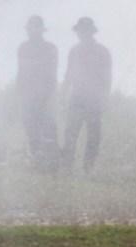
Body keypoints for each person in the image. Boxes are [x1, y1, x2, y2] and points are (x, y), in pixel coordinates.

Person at [61, 17, 112, 173]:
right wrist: (63, 93)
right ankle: (67, 166)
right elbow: (68, 73)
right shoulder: (74, 51)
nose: (82, 34)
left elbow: (107, 77)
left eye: (85, 31)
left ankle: (88, 168)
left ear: (91, 32)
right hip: (77, 97)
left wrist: (104, 97)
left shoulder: (102, 51)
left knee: (93, 135)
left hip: (94, 98)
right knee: (71, 133)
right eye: (80, 31)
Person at [16, 15, 58, 169]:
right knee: (30, 127)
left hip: (45, 94)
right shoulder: (23, 48)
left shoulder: (50, 48)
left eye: (34, 28)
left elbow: (52, 73)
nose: (31, 32)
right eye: (29, 28)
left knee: (48, 127)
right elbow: (20, 71)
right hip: (28, 95)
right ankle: (37, 159)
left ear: (41, 30)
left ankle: (52, 161)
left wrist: (48, 94)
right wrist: (19, 92)